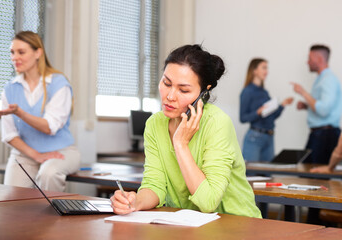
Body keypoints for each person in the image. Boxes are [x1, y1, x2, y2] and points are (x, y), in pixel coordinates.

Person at [110, 44, 262, 218]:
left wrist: (180, 144)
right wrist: (135, 201)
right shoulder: (154, 124)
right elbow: (155, 185)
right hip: (187, 224)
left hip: (236, 224)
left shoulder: (217, 123)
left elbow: (208, 202)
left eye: (183, 90)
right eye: (166, 83)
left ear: (204, 94)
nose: (170, 96)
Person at [0, 31, 80, 192]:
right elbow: (9, 134)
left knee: (48, 174)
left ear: (38, 53)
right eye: (12, 52)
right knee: (9, 200)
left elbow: (49, 127)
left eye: (21, 52)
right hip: (24, 154)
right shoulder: (10, 88)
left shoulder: (58, 84)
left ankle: (52, 216)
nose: (15, 57)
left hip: (61, 152)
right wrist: (36, 155)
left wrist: (20, 113)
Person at [292, 44, 342, 164]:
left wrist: (303, 92)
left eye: (310, 58)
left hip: (324, 136)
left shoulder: (328, 79)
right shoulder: (322, 78)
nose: (307, 62)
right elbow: (321, 105)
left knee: (314, 175)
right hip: (320, 134)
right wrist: (307, 106)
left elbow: (324, 110)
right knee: (309, 172)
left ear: (320, 59)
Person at [239, 58, 294, 162]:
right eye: (264, 68)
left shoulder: (264, 93)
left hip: (269, 137)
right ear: (254, 70)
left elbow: (271, 116)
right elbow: (243, 118)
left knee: (268, 173)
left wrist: (282, 105)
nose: (266, 71)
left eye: (267, 68)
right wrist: (258, 112)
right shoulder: (247, 91)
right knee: (252, 173)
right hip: (255, 137)